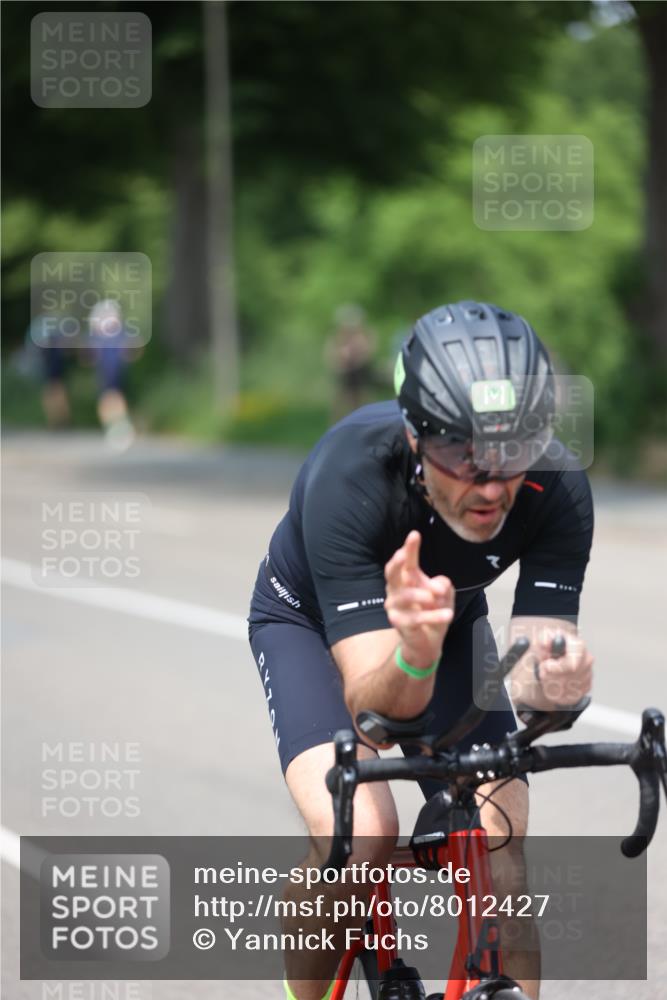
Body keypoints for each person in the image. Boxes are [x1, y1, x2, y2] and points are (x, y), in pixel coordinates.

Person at [248, 301, 594, 1000]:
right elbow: (376, 717)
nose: (491, 483)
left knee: (500, 844)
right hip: (313, 626)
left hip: (443, 620)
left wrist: (559, 684)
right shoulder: (350, 473)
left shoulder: (556, 487)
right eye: (462, 455)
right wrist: (414, 651)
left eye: (512, 449)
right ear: (414, 436)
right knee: (360, 834)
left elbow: (532, 665)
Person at [87, 299, 138, 450]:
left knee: (111, 398)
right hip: (107, 370)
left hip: (113, 369)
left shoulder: (114, 333)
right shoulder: (108, 333)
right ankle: (117, 429)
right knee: (110, 399)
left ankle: (118, 429)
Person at [325, 304, 377, 420]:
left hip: (358, 371)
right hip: (345, 371)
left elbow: (367, 351)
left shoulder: (363, 335)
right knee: (342, 400)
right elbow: (332, 354)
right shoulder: (338, 337)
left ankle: (362, 420)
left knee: (360, 398)